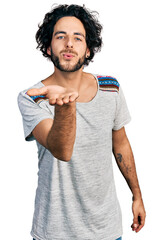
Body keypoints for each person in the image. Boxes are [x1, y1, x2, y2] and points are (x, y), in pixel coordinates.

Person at [17, 4, 146, 240]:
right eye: (60, 36)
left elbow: (121, 144)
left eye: (78, 38)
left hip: (107, 229)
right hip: (54, 232)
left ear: (88, 50)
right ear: (48, 46)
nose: (69, 43)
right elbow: (61, 150)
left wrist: (137, 195)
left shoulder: (111, 88)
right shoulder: (33, 97)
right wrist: (66, 106)